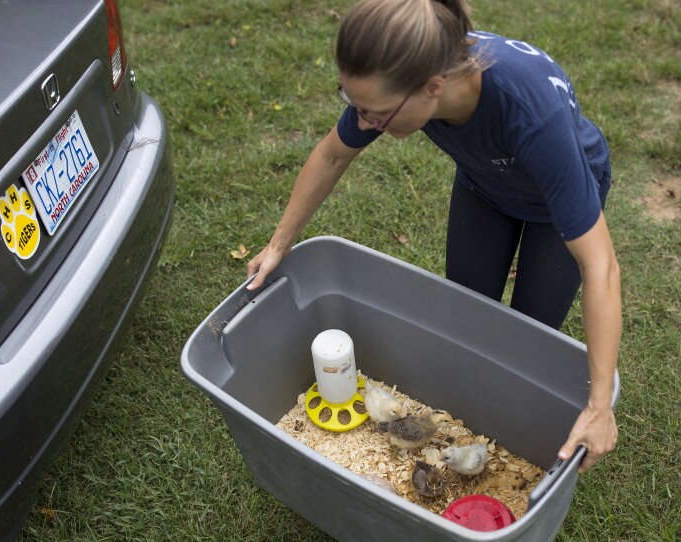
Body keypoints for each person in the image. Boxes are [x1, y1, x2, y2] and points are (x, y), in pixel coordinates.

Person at [246, 0, 619, 473]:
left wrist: (600, 405)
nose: (363, 123)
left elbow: (600, 266)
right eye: (352, 102)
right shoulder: (407, 76)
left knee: (531, 336)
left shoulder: (529, 114)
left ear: (433, 88)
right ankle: (468, 423)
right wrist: (279, 245)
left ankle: (516, 432)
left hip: (556, 199)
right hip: (485, 184)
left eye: (376, 113)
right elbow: (332, 155)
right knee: (464, 313)